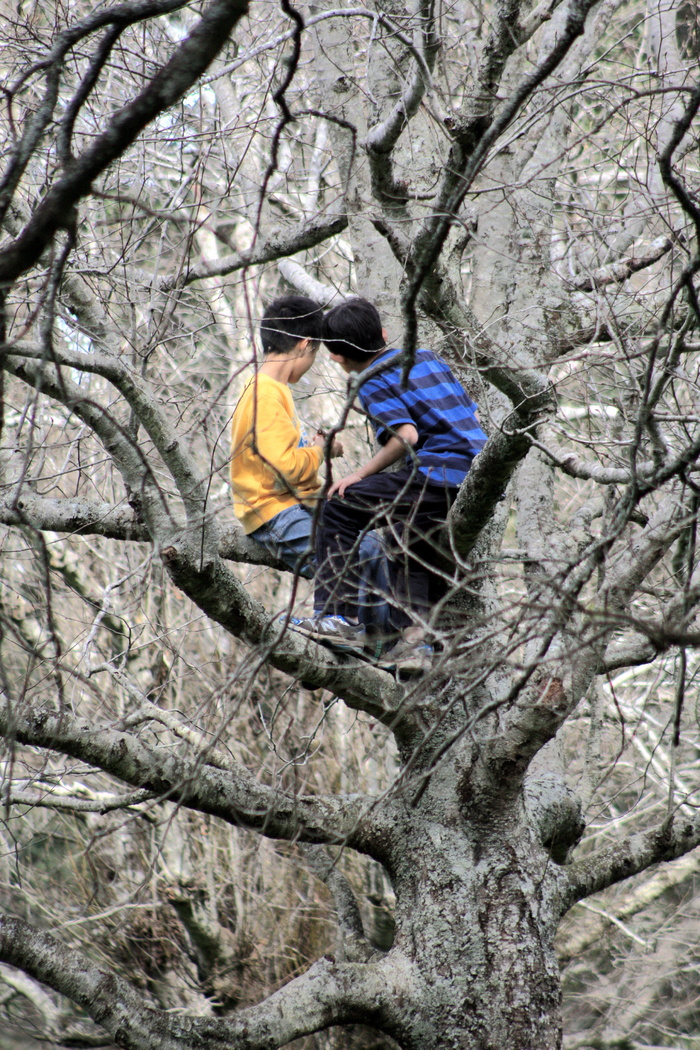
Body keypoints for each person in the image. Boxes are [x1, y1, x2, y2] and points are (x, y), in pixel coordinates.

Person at [289, 297, 487, 674]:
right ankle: (416, 645)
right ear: (382, 333)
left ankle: (337, 618)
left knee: (338, 507)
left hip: (437, 473)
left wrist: (359, 476)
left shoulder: (370, 378)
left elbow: (406, 436)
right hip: (474, 473)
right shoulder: (426, 356)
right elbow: (470, 413)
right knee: (408, 536)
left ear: (336, 357)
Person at [230, 295, 390, 634]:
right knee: (360, 552)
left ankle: (367, 636)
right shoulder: (266, 393)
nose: (314, 361)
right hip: (273, 512)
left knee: (373, 546)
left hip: (293, 504)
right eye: (316, 352)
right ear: (304, 345)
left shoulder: (274, 389)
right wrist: (320, 451)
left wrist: (319, 448)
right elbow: (285, 468)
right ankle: (361, 635)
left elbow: (280, 452)